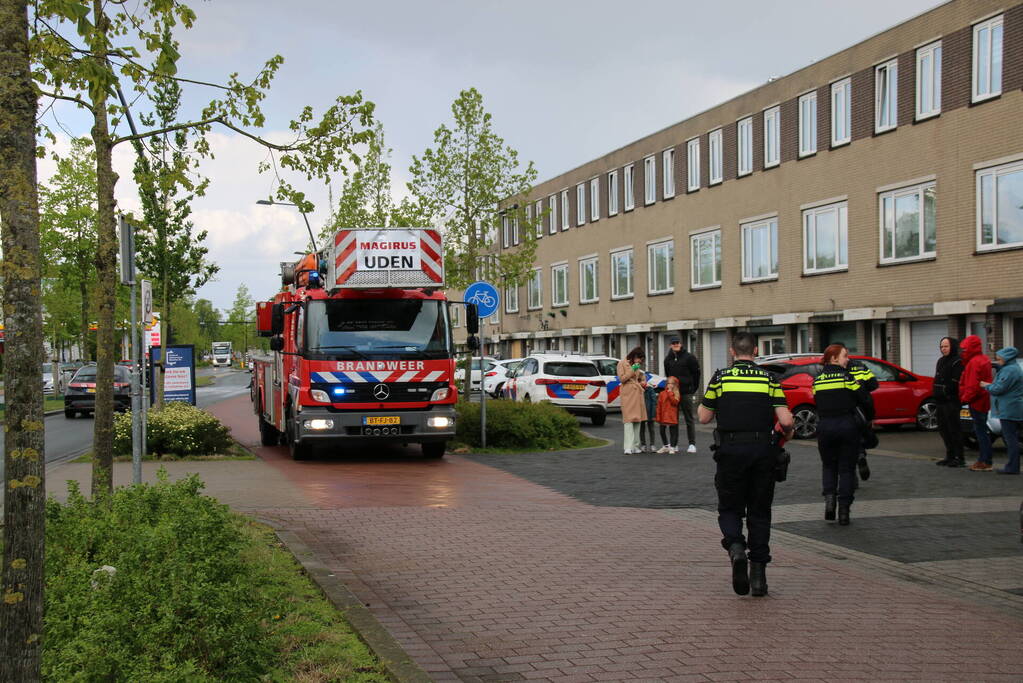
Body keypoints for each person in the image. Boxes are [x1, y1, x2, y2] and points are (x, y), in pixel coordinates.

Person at [698, 332, 793, 597]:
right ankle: (759, 578)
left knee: (730, 508)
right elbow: (785, 421)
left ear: (732, 352)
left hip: (730, 452)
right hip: (763, 452)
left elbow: (704, 417)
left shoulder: (721, 378)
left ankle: (736, 548)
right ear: (755, 351)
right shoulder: (769, 379)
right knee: (760, 512)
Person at [812, 344, 872, 526]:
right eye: (845, 356)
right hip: (847, 426)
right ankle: (844, 510)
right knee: (846, 469)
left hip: (825, 427)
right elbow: (864, 398)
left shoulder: (817, 380)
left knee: (829, 466)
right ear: (834, 359)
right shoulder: (847, 378)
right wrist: (868, 418)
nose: (848, 359)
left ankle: (830, 501)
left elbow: (817, 401)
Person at [982, 346, 1021, 475]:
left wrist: (986, 385)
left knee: (1010, 439)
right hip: (1011, 407)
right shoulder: (1011, 369)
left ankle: (1012, 467)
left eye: (999, 359)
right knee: (1011, 437)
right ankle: (1012, 465)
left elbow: (999, 388)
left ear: (1007, 358)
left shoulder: (1009, 371)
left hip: (1009, 408)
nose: (998, 362)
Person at [959, 334, 994, 471]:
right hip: (983, 400)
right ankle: (985, 460)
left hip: (977, 401)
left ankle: (984, 461)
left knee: (981, 432)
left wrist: (964, 398)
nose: (963, 352)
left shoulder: (974, 362)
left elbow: (973, 385)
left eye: (965, 349)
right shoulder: (983, 359)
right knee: (981, 431)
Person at [664, 337, 701, 453]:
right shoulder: (668, 359)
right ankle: (674, 444)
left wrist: (693, 388)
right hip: (674, 393)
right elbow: (668, 375)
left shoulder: (689, 357)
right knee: (673, 419)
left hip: (686, 392)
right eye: (673, 343)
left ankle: (692, 444)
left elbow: (696, 373)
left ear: (681, 344)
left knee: (689, 418)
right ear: (670, 345)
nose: (675, 345)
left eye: (677, 343)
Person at [933, 337, 965, 468]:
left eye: (946, 346)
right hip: (940, 401)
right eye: (941, 346)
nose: (943, 349)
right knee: (943, 429)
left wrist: (946, 391)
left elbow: (955, 381)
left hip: (951, 401)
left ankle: (959, 457)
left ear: (953, 346)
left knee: (954, 429)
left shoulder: (957, 361)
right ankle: (950, 455)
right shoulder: (941, 361)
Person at [846, 356, 878, 482]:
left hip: (846, 410)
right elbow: (874, 384)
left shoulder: (832, 370)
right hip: (862, 408)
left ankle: (852, 478)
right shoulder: (860, 366)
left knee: (847, 443)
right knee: (859, 436)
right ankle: (860, 455)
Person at [617, 347, 648, 455]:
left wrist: (643, 381)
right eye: (640, 359)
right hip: (628, 394)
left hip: (637, 394)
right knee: (628, 421)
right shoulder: (622, 363)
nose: (640, 361)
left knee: (637, 420)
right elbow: (622, 379)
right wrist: (632, 369)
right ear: (635, 356)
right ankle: (628, 447)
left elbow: (640, 377)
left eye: (641, 360)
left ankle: (636, 446)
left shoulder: (637, 366)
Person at [656, 376, 681, 453]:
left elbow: (675, 402)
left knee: (672, 430)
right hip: (663, 415)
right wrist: (658, 416)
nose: (670, 385)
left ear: (675, 385)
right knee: (662, 430)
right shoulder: (662, 393)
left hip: (671, 415)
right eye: (668, 383)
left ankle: (672, 447)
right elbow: (659, 405)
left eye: (672, 383)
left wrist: (670, 393)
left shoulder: (676, 393)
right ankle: (665, 446)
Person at [639, 379, 658, 453]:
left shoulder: (650, 389)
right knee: (641, 429)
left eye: (643, 380)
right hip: (641, 413)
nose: (642, 382)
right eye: (640, 381)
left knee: (651, 429)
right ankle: (643, 444)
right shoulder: (638, 390)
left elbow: (654, 402)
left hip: (650, 412)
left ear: (646, 381)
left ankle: (652, 444)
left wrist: (653, 413)